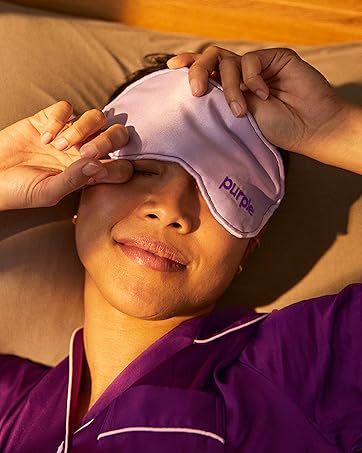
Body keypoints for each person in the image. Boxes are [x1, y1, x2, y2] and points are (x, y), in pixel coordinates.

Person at [0, 46, 360, 453]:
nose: (170, 209)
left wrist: (338, 129)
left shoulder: (302, 367)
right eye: (143, 170)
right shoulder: (13, 405)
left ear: (248, 250)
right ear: (80, 194)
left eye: (223, 192)